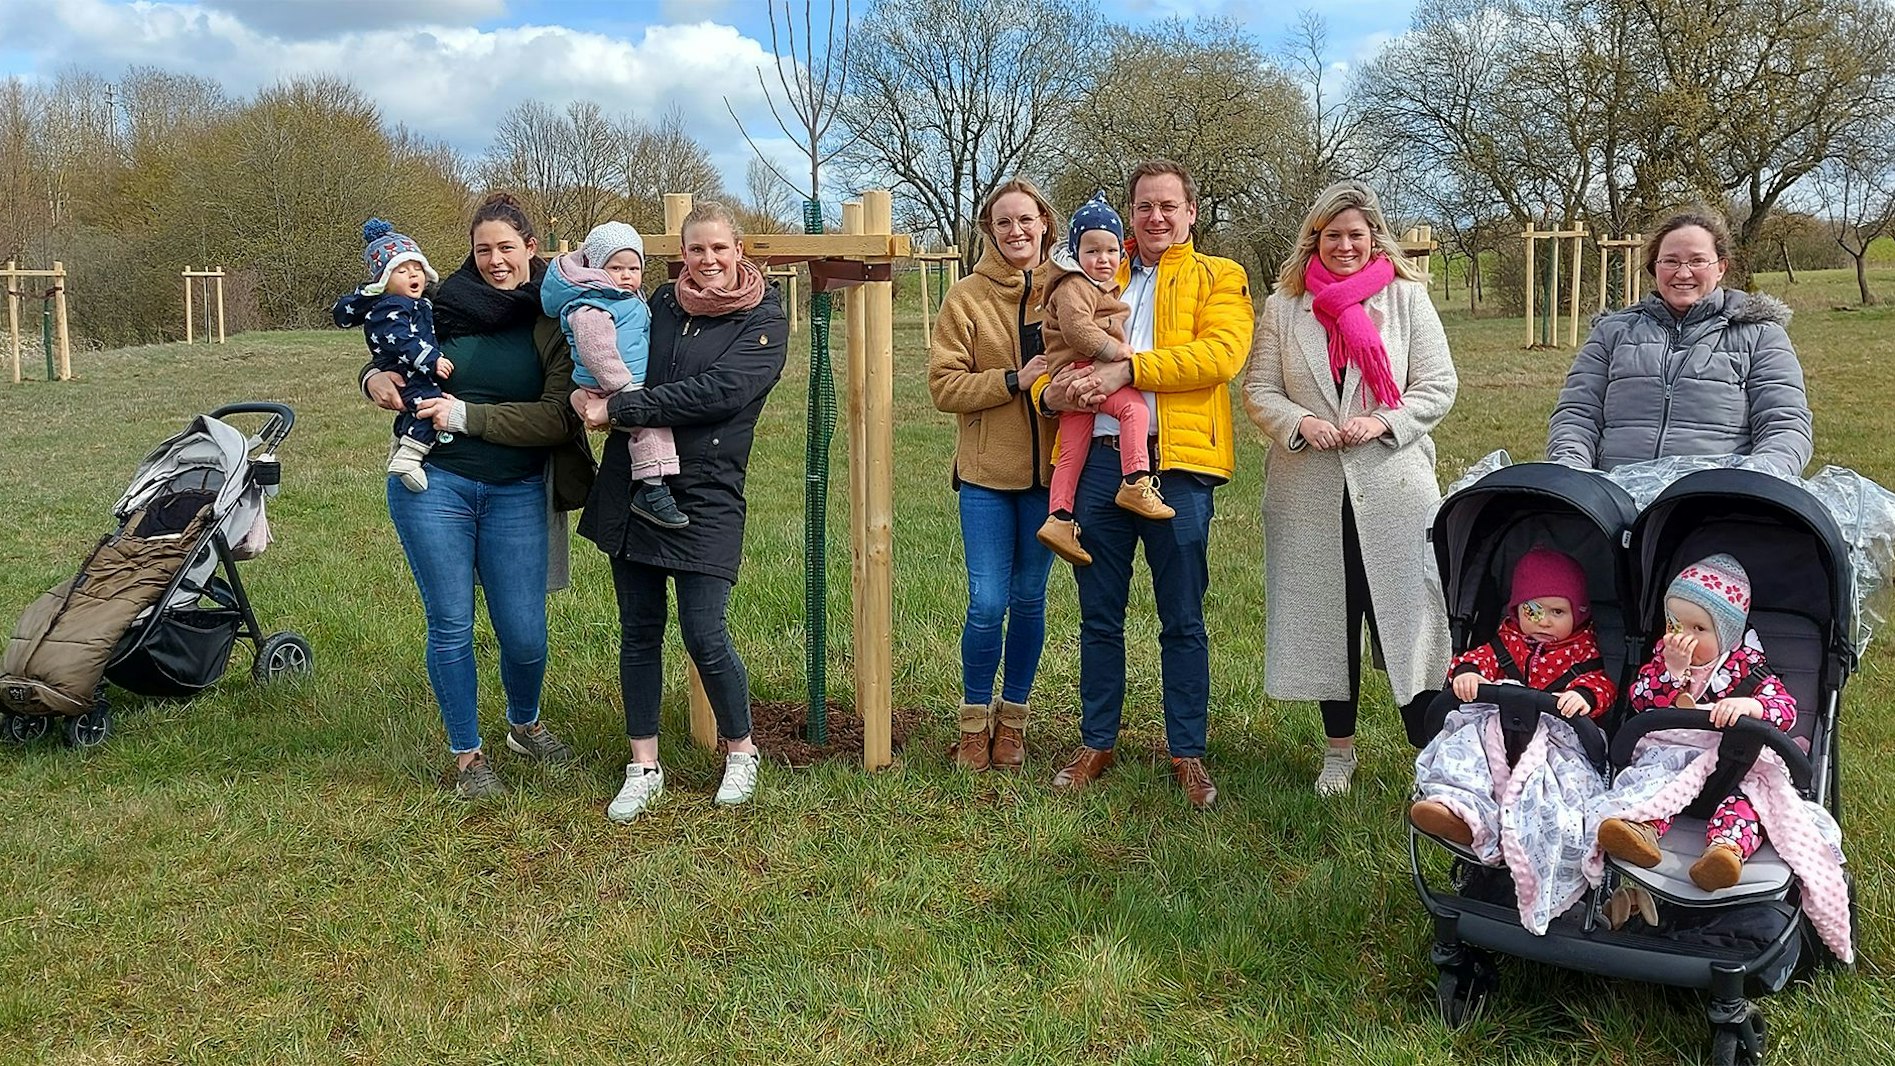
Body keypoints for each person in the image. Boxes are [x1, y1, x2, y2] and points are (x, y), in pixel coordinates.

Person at [360, 192, 594, 800]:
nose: (494, 260)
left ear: (531, 249)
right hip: (433, 483)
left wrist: (468, 416)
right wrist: (372, 378)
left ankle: (524, 723)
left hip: (518, 487)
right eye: (483, 248)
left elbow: (556, 419)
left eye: (507, 248)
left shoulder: (556, 313)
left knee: (524, 631)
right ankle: (468, 754)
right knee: (451, 622)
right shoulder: (439, 305)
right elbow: (386, 347)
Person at [1035, 160, 1254, 809]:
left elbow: (1218, 356)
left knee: (1181, 616)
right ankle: (1096, 740)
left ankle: (1186, 750)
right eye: (1143, 206)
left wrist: (1125, 368)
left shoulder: (1221, 276)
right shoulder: (1097, 270)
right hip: (1100, 460)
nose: (1155, 217)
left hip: (1178, 465)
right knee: (1097, 614)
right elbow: (1054, 345)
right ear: (1129, 215)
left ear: (1190, 212)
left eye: (1168, 206)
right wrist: (1054, 393)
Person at [1241, 179, 1457, 796]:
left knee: (1410, 618)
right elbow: (1259, 390)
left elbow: (1438, 385)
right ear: (1315, 238)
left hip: (1394, 489)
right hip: (1308, 492)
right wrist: (1300, 423)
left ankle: (1432, 755)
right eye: (1332, 235)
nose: (1344, 245)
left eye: (1355, 236)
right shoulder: (1285, 307)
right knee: (1329, 621)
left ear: (1373, 239)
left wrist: (1384, 421)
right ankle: (1339, 751)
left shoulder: (1407, 298)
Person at [577, 201, 787, 821]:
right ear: (682, 255)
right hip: (636, 485)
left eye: (719, 248)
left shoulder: (764, 321)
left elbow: (719, 394)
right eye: (696, 250)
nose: (708, 260)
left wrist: (621, 411)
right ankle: (643, 765)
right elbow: (605, 345)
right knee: (639, 632)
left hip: (708, 492)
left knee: (704, 631)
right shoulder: (657, 307)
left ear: (739, 249)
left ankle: (741, 750)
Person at [927, 178, 1060, 772]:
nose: (1016, 231)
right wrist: (1013, 379)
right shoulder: (965, 298)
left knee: (1029, 599)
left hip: (1051, 480)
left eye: (1026, 220)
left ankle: (1013, 722)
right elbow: (943, 386)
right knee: (986, 602)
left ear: (1045, 225)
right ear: (988, 229)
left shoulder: (1069, 289)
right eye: (1003, 222)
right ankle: (972, 722)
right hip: (985, 477)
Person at [1546, 208, 1813, 478]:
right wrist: (1574, 477)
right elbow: (1577, 416)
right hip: (1614, 499)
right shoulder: (1612, 333)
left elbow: (1785, 426)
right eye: (1671, 261)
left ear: (1721, 267)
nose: (1683, 273)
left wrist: (1755, 482)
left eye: (1697, 261)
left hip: (1715, 504)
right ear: (1655, 268)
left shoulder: (1759, 335)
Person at [1596, 554, 1798, 891]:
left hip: (1733, 767)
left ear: (1727, 633)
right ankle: (1642, 828)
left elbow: (1785, 709)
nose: (1683, 637)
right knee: (1653, 778)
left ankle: (1725, 853)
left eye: (1699, 629)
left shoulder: (1748, 667)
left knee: (1751, 799)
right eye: (1675, 624)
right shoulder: (1666, 658)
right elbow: (1641, 700)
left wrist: (1750, 706)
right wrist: (1672, 673)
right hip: (1677, 759)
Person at [1409, 546, 1618, 845]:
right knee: (1465, 751)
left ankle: (1553, 830)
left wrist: (1584, 696)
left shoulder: (1583, 650)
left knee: (1565, 781)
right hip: (1499, 732)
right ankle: (1458, 808)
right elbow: (1478, 658)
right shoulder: (1508, 640)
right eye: (1533, 610)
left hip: (1553, 738)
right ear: (1517, 610)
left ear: (1579, 613)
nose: (1544, 621)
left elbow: (1602, 684)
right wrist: (1468, 673)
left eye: (1558, 612)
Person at [1036, 192, 1173, 567]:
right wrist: (1118, 354)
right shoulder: (1074, 285)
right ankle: (1135, 482)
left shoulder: (1095, 285)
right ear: (1076, 252)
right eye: (1093, 251)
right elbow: (1079, 330)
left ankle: (1060, 519)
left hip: (1069, 378)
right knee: (1134, 410)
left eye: (1111, 251)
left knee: (1071, 452)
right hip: (1084, 370)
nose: (1103, 259)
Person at [541, 221, 687, 529]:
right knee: (649, 425)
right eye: (616, 268)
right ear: (596, 269)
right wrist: (622, 388)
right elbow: (596, 350)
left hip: (620, 381)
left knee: (643, 425)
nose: (626, 276)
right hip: (610, 381)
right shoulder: (593, 304)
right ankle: (653, 489)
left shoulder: (621, 298)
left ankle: (652, 486)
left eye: (633, 268)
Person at [333, 218, 446, 492]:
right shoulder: (391, 306)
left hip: (409, 365)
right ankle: (409, 457)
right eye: (402, 270)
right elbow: (401, 341)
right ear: (383, 280)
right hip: (408, 367)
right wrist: (431, 360)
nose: (413, 275)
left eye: (417, 268)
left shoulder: (416, 302)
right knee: (430, 405)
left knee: (416, 407)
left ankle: (400, 446)